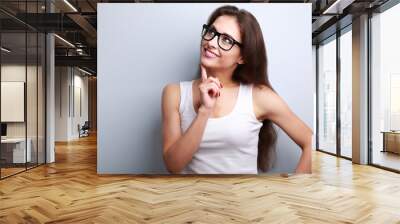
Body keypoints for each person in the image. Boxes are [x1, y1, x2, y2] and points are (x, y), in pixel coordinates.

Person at [161, 5, 312, 174]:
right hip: (193, 200)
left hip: (245, 199)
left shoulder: (258, 96)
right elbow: (173, 166)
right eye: (211, 32)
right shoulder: (174, 94)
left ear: (242, 57)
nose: (210, 42)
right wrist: (204, 111)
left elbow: (309, 141)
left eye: (226, 40)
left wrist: (300, 188)